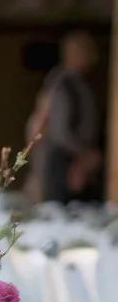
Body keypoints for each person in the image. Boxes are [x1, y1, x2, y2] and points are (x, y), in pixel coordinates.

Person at [36, 31, 102, 204]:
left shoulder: (79, 83)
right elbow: (60, 131)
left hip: (75, 159)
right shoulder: (64, 84)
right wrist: (83, 155)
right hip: (65, 160)